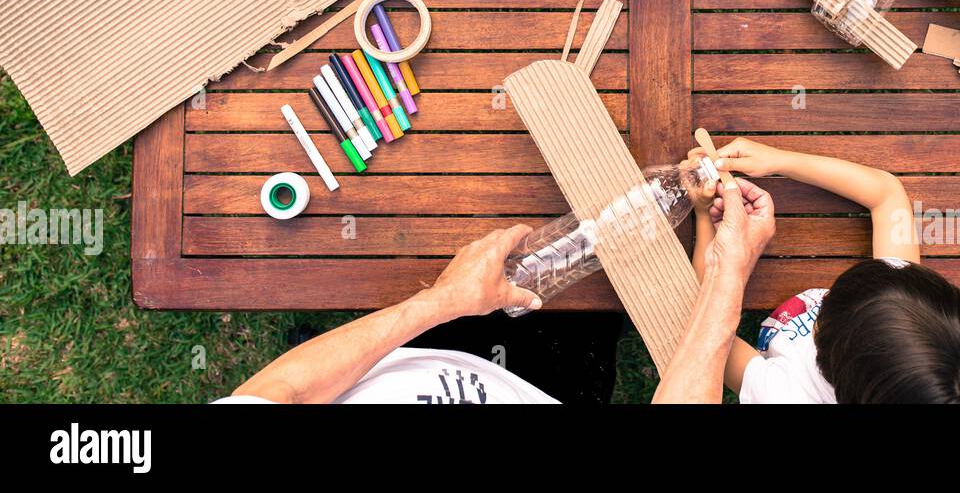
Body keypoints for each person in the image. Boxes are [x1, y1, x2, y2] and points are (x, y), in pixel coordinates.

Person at [217, 178, 774, 405]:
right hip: (546, 386)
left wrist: (442, 301)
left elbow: (279, 393)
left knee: (566, 285)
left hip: (422, 353)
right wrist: (728, 273)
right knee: (590, 318)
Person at [688, 138, 960, 404]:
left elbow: (706, 329)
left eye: (831, 304)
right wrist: (779, 160)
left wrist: (705, 218)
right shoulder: (902, 304)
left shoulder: (783, 394)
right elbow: (886, 194)